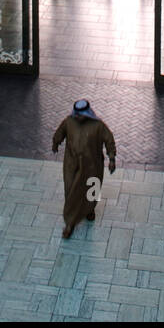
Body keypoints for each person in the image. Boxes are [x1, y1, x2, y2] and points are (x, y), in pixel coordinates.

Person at [52, 99, 117, 239]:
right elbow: (60, 132)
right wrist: (56, 142)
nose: (79, 117)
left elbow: (109, 140)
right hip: (72, 164)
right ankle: (70, 223)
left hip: (93, 165)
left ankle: (90, 209)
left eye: (81, 115)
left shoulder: (98, 126)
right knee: (71, 191)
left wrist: (111, 158)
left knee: (93, 188)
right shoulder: (69, 122)